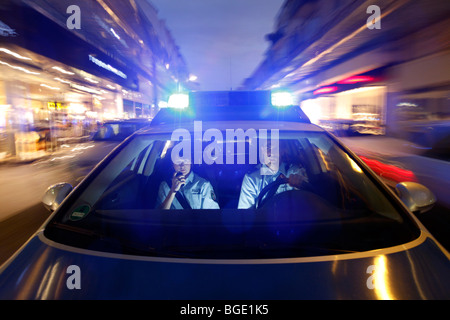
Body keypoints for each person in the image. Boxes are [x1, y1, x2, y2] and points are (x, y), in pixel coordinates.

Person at [238, 141, 308, 209]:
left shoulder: (294, 172)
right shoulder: (252, 178)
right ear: (262, 149)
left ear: (283, 150)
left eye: (276, 148)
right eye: (268, 147)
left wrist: (299, 186)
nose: (272, 153)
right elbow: (245, 214)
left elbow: (306, 204)